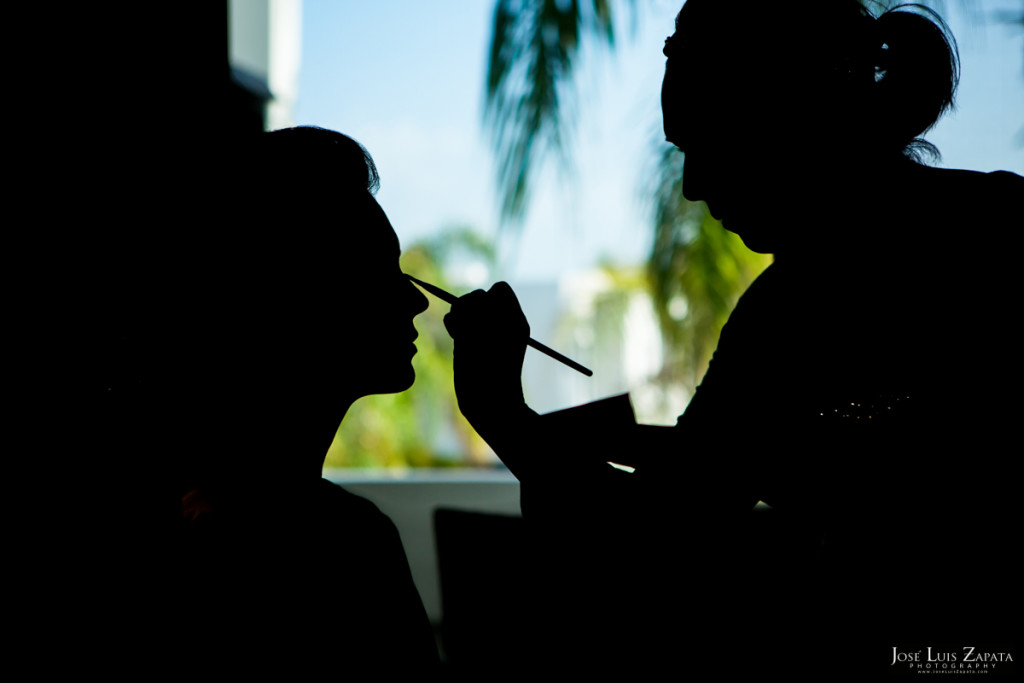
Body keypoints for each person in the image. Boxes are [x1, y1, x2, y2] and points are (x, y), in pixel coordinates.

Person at [444, 0, 1020, 674]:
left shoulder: (974, 254)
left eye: (704, 144)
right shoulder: (795, 305)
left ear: (790, 119)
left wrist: (504, 416)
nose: (691, 185)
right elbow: (708, 488)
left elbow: (654, 541)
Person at [166, 126, 438, 671]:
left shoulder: (338, 533)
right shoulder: (340, 546)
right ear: (300, 292)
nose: (415, 300)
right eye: (381, 271)